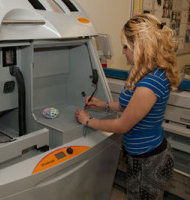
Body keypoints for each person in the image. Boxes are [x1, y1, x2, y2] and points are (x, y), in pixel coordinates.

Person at [75, 14, 180, 200]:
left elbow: (123, 125)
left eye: (126, 47)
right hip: (139, 154)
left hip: (150, 159)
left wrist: (88, 120)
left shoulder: (150, 83)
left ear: (139, 48)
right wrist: (102, 105)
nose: (123, 51)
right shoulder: (143, 72)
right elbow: (129, 107)